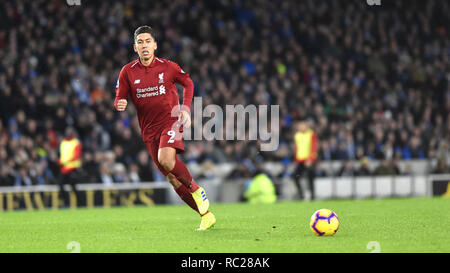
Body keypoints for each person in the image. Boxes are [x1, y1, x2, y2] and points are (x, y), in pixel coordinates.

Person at [114, 26, 215, 230]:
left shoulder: (168, 67)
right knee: (172, 178)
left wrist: (185, 109)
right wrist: (119, 104)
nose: (144, 45)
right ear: (135, 47)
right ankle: (205, 215)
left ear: (155, 45)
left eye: (148, 41)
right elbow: (119, 97)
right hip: (148, 130)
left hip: (170, 121)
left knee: (166, 160)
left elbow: (188, 83)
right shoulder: (127, 72)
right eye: (140, 42)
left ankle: (197, 189)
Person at [292, 119, 318, 200]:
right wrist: (296, 159)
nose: (301, 127)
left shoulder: (311, 134)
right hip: (300, 160)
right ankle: (301, 195)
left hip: (309, 160)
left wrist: (310, 159)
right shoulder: (297, 135)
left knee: (310, 177)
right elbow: (296, 148)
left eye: (302, 125)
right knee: (295, 176)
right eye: (299, 125)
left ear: (306, 126)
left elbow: (314, 147)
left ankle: (312, 196)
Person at [57, 127, 82, 207]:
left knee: (73, 187)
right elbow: (62, 154)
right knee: (60, 185)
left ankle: (79, 204)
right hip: (64, 168)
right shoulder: (63, 143)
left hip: (73, 168)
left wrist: (65, 161)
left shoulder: (76, 143)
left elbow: (76, 156)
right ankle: (66, 203)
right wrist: (60, 160)